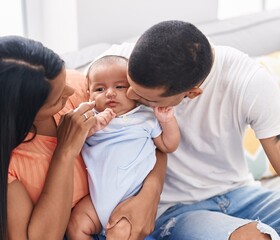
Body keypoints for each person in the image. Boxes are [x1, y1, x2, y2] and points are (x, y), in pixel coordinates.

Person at [0, 35, 167, 240]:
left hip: (134, 215)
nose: (71, 92)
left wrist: (150, 193)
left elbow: (150, 139)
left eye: (65, 79)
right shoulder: (0, 170)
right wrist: (64, 153)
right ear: (23, 114)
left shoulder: (83, 89)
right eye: (58, 97)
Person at [101, 20, 280, 239]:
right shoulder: (116, 63)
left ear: (192, 93)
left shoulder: (248, 80)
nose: (129, 96)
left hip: (242, 193)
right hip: (178, 210)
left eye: (144, 98)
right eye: (128, 85)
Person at [66, 55, 180, 239]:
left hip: (132, 197)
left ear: (134, 91)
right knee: (75, 225)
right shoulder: (90, 118)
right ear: (89, 94)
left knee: (121, 234)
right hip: (96, 199)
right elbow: (71, 147)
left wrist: (167, 120)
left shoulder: (145, 117)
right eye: (100, 89)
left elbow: (168, 145)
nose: (110, 93)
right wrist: (91, 129)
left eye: (119, 87)